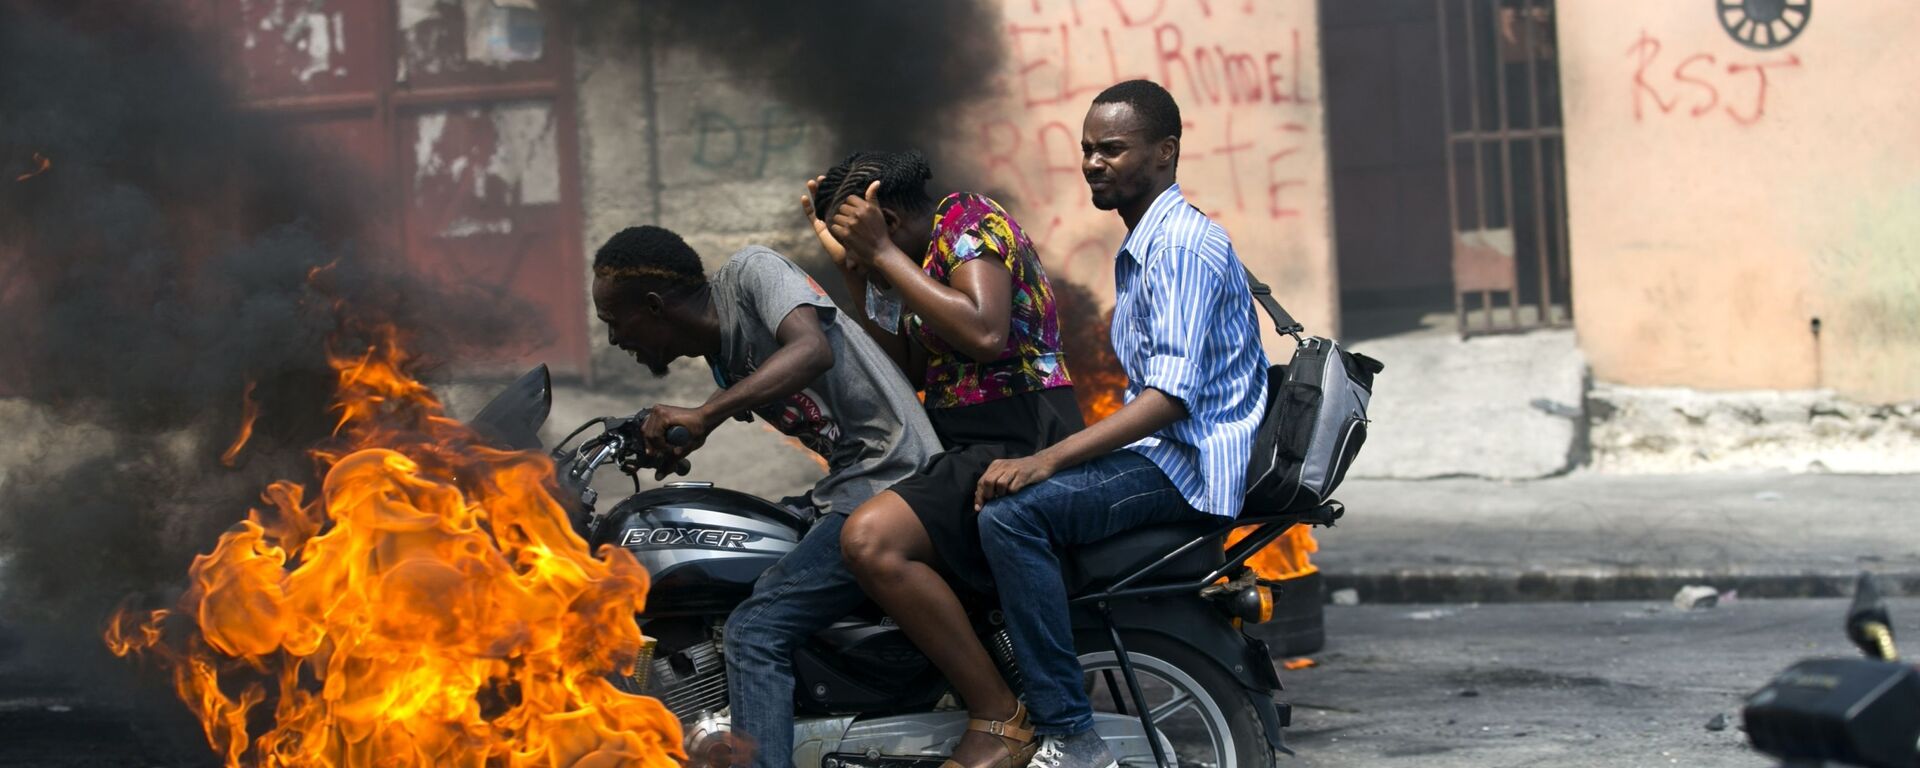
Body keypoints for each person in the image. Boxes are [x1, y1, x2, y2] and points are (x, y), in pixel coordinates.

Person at [971, 80, 1269, 768]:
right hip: (1168, 453)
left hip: (1188, 466)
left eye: (1111, 149)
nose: (1092, 163)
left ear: (1164, 152)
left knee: (1012, 518)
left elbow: (1168, 399)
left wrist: (1049, 460)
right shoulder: (1148, 242)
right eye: (1086, 150)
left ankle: (1069, 731)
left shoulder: (1181, 247)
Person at [589, 225, 940, 768]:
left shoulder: (753, 271)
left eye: (615, 321)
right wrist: (682, 433)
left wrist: (706, 414)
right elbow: (749, 386)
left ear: (655, 305)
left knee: (754, 630)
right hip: (848, 487)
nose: (614, 339)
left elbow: (811, 350)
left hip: (893, 479)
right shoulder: (724, 354)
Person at [800, 150, 1082, 768]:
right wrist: (855, 272)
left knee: (870, 541)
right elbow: (910, 369)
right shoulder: (921, 259)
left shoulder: (966, 219)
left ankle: (997, 716)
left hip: (1021, 433)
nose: (863, 253)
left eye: (862, 237)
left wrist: (882, 255)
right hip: (966, 441)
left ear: (886, 218)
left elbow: (984, 331)